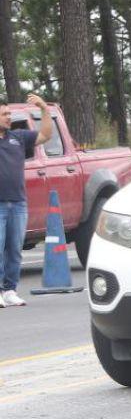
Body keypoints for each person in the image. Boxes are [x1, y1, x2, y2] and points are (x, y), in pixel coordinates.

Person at [0, 95, 54, 307]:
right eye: (4, 114)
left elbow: (45, 135)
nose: (8, 117)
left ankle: (10, 290)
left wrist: (43, 109)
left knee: (14, 249)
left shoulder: (19, 137)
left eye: (9, 114)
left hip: (18, 204)